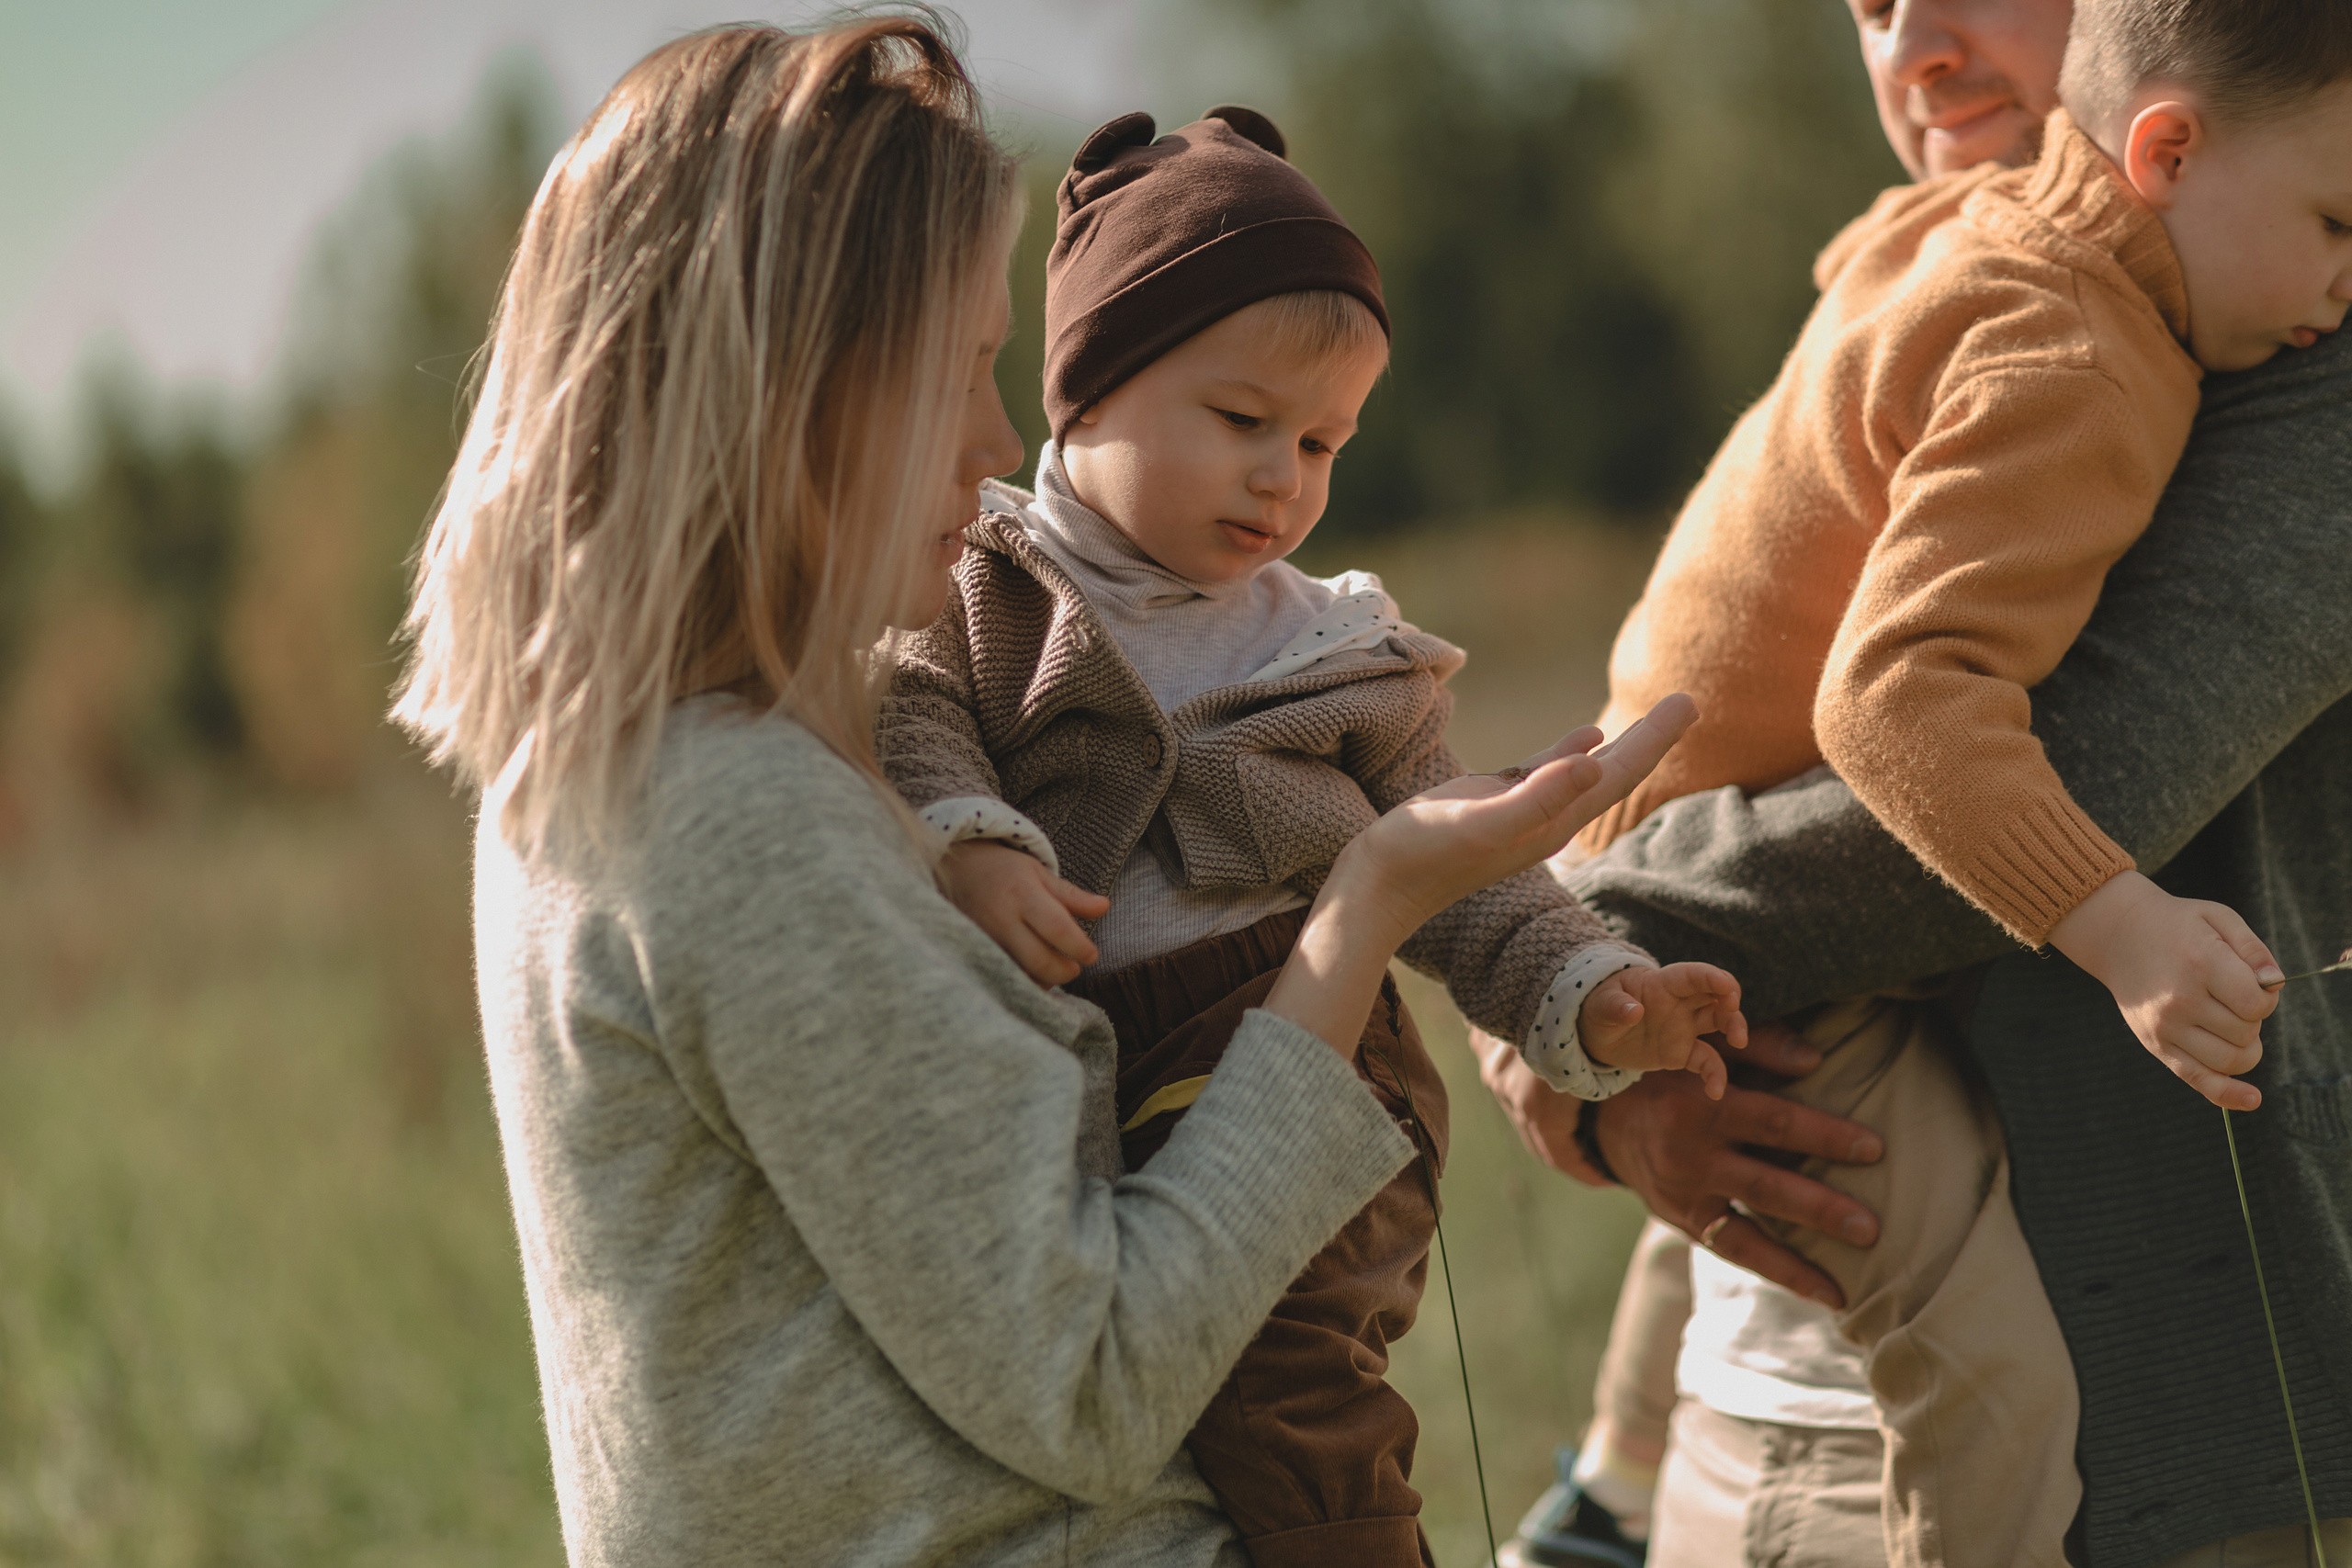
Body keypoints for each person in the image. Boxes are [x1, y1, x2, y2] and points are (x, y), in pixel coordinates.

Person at [386, 19, 1713, 1567]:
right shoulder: (744, 822)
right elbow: (1092, 1382)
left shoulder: (622, 777)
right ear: (797, 391)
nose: (1002, 440)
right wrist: (1363, 912)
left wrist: (1559, 973)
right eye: (958, 369)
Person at [1493, 1, 2352, 1564]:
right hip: (1755, 1416)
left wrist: (1561, 935)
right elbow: (1891, 710)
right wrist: (1568, 967)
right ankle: (1607, 1494)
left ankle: (1597, 1502)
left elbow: (2087, 774)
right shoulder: (2021, 292)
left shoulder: (2256, 297)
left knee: (1990, 1389)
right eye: (1873, 4)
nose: (1916, 51)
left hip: (2139, 1451)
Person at [876, 108, 1742, 1568]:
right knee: (1120, 1371)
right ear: (1084, 394)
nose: (1285, 476)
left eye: (1324, 440)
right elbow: (907, 707)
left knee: (1284, 1380)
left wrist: (1592, 995)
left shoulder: (1340, 656)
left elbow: (1468, 872)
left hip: (1306, 1054)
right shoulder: (982, 588)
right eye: (1242, 422)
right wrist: (965, 835)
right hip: (1086, 1081)